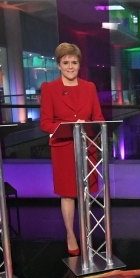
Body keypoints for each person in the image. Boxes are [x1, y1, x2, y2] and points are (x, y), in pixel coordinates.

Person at [39, 42, 105, 256]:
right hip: (64, 147)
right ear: (58, 65)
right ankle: (70, 234)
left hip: (87, 146)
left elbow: (98, 117)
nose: (70, 66)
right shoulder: (49, 89)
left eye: (74, 62)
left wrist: (95, 129)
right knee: (67, 195)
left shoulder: (89, 87)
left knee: (86, 194)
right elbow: (45, 123)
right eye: (65, 62)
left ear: (79, 64)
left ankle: (87, 232)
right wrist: (67, 128)